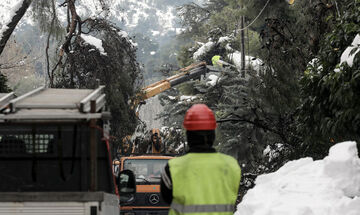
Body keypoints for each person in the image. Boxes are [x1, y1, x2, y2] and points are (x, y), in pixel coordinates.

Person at [160, 104, 241, 215]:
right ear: (213, 135)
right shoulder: (231, 166)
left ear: (188, 135)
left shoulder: (173, 168)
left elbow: (167, 198)